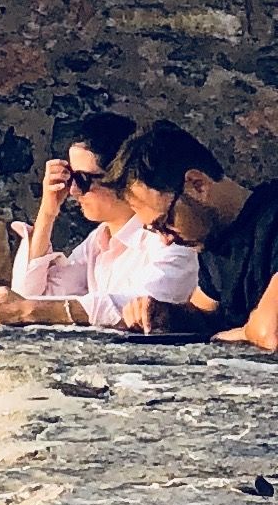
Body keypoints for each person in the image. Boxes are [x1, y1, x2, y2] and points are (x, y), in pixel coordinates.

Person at [0, 112, 200, 328]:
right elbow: (33, 295)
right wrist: (47, 212)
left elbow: (144, 307)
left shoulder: (171, 236)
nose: (73, 190)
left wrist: (31, 309)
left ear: (120, 177)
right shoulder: (99, 240)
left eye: (82, 179)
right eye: (70, 178)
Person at [108, 121, 278, 346]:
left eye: (165, 222)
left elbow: (270, 332)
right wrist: (167, 315)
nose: (166, 239)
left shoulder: (272, 221)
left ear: (197, 184)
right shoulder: (213, 240)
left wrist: (234, 335)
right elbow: (205, 314)